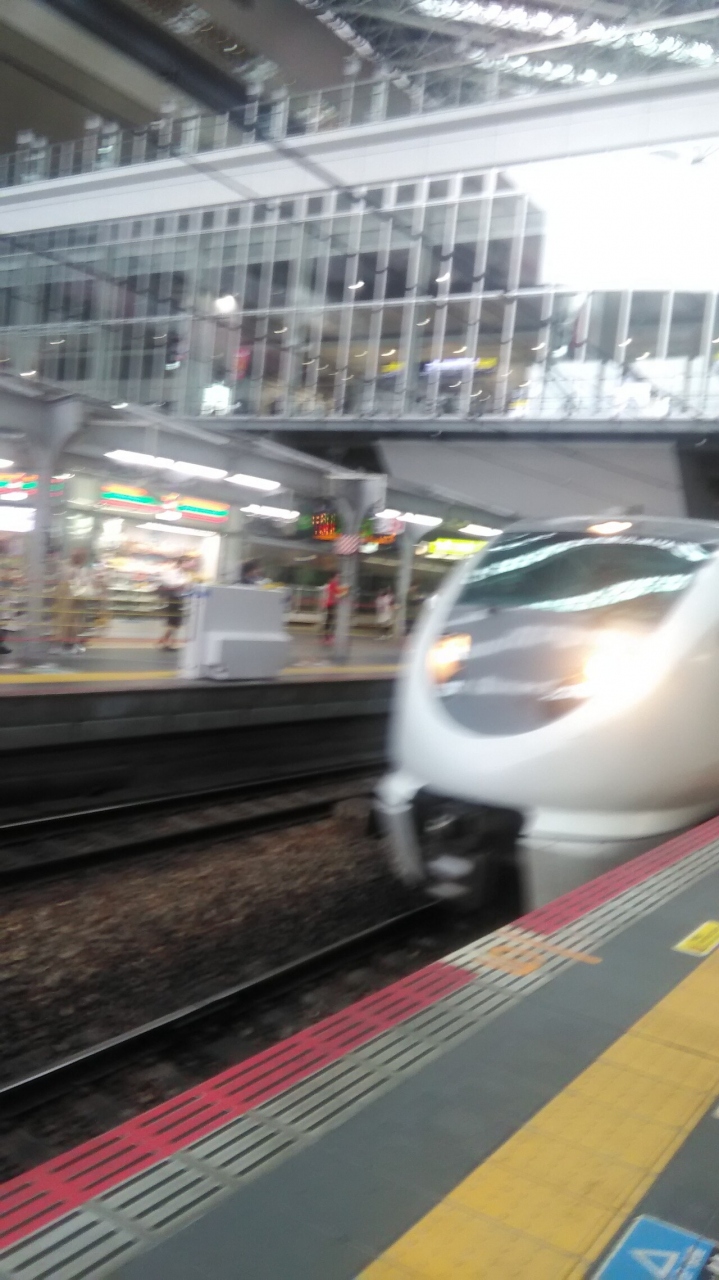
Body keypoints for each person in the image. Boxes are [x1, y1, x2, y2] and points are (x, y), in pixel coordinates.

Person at [56, 548, 95, 653]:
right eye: (81, 557)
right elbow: (67, 582)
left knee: (75, 622)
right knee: (69, 622)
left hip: (77, 599)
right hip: (69, 599)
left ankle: (71, 643)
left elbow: (86, 582)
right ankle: (68, 644)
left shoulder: (82, 569)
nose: (83, 559)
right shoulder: (69, 568)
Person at [158, 557, 188, 651]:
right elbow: (171, 584)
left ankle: (167, 642)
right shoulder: (171, 573)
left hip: (178, 598)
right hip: (173, 598)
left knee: (175, 623)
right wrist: (181, 584)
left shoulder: (181, 573)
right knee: (173, 622)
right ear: (180, 563)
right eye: (185, 563)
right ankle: (168, 642)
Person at [321, 572, 343, 644]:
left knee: (331, 620)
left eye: (339, 577)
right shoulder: (332, 584)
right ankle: (327, 637)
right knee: (330, 620)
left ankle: (329, 636)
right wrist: (338, 598)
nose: (338, 578)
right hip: (331, 604)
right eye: (337, 577)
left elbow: (338, 593)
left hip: (333, 604)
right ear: (333, 578)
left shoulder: (335, 584)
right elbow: (333, 594)